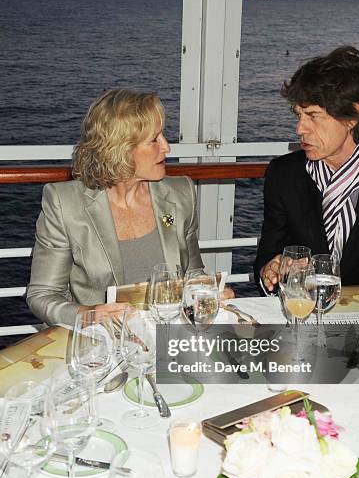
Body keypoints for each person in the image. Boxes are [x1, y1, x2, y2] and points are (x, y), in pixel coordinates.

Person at [27, 88, 233, 327]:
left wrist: (208, 292)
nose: (167, 147)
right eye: (154, 140)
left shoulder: (181, 193)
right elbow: (42, 295)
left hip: (170, 334)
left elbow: (192, 273)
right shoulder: (65, 203)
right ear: (120, 150)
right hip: (100, 344)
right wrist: (88, 314)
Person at [254, 46, 359, 293]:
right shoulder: (283, 175)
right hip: (305, 313)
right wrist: (269, 271)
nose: (300, 128)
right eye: (298, 115)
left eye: (313, 115)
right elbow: (267, 257)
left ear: (352, 117)